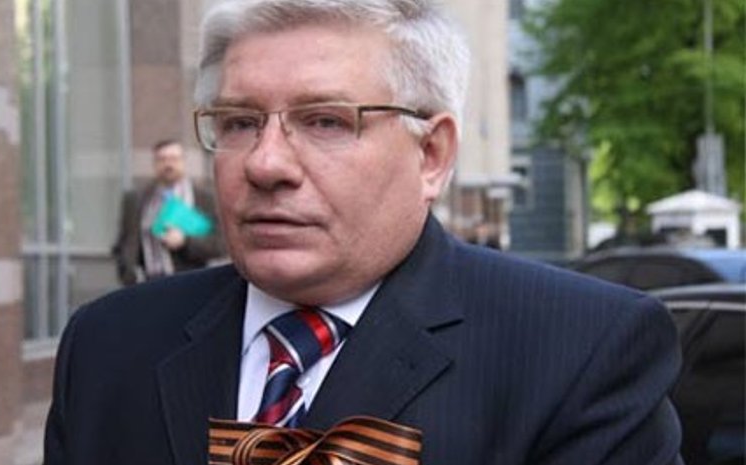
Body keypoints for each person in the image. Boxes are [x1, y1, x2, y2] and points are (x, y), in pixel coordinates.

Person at [45, 1, 683, 464]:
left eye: (325, 121)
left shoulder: (582, 351)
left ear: (431, 155)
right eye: (239, 122)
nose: (265, 163)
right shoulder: (107, 346)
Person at [110, 139, 223, 284]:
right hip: (146, 282)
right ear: (154, 163)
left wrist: (185, 241)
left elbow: (221, 245)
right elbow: (124, 241)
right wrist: (127, 273)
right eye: (162, 159)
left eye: (174, 159)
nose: (168, 165)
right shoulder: (135, 199)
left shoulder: (203, 199)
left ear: (183, 162)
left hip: (188, 282)